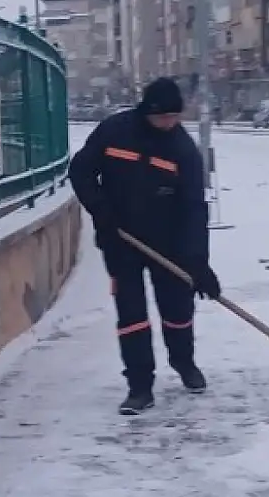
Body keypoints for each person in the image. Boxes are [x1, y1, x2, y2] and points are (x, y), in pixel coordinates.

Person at [68, 77, 221, 415]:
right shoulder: (114, 131)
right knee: (132, 315)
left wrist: (198, 262)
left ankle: (184, 363)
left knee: (177, 311)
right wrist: (101, 210)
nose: (170, 123)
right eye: (164, 117)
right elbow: (80, 171)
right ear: (148, 112)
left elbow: (194, 208)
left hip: (169, 245)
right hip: (121, 241)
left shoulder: (183, 151)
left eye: (175, 117)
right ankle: (139, 387)